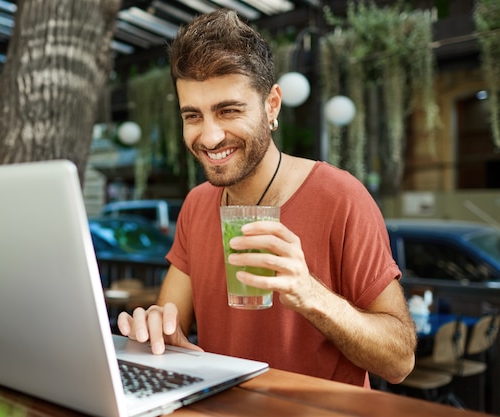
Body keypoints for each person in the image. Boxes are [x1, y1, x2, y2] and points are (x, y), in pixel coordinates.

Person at [117, 9, 416, 388]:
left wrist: (311, 294)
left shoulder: (340, 197)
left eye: (228, 111)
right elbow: (171, 318)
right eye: (193, 116)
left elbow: (400, 361)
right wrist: (156, 330)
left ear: (272, 105)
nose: (209, 137)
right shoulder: (196, 205)